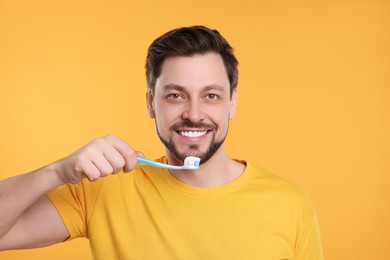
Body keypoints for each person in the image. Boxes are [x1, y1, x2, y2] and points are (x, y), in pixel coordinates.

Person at [0, 25, 323, 259]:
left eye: (211, 96)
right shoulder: (103, 190)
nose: (194, 114)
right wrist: (55, 173)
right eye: (175, 95)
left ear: (232, 102)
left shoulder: (289, 204)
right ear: (151, 103)